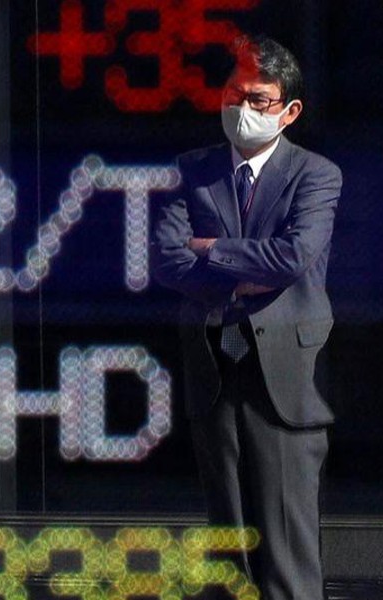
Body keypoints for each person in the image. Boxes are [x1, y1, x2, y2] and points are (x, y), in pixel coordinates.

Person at [152, 35, 341, 600]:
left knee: (286, 545)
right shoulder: (191, 169)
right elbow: (167, 259)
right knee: (226, 545)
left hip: (285, 372)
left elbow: (292, 257)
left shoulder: (316, 173)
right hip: (213, 366)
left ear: (289, 111)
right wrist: (238, 268)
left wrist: (210, 250)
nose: (245, 108)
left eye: (260, 99)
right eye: (236, 93)